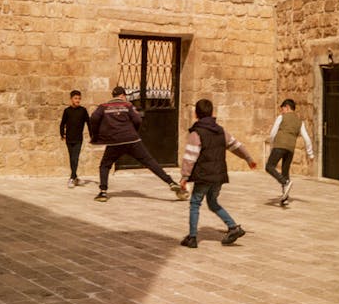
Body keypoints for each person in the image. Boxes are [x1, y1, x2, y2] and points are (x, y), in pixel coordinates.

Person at [179, 98, 256, 248]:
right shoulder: (221, 131)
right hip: (219, 175)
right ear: (212, 113)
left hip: (203, 175)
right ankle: (233, 227)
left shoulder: (197, 133)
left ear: (196, 114)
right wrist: (248, 158)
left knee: (195, 203)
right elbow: (236, 145)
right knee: (213, 202)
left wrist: (184, 177)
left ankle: (192, 237)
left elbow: (190, 156)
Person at [90, 86, 188, 202]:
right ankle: (170, 182)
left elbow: (94, 119)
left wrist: (96, 135)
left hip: (114, 142)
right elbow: (137, 120)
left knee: (105, 165)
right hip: (132, 140)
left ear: (114, 96)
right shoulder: (128, 106)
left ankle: (103, 192)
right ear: (123, 96)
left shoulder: (103, 107)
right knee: (150, 162)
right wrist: (133, 131)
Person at [266, 98, 314, 204]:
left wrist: (271, 145)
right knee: (285, 171)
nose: (281, 112)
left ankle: (285, 182)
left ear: (287, 108)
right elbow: (306, 138)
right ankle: (285, 198)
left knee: (269, 167)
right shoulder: (299, 122)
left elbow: (273, 133)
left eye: (282, 109)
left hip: (279, 146)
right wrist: (310, 153)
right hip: (290, 149)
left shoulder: (281, 117)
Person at [60, 90, 92, 188]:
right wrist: (62, 134)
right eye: (75, 98)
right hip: (69, 139)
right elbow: (62, 123)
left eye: (79, 98)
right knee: (71, 158)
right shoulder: (67, 111)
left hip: (78, 139)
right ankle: (75, 178)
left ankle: (72, 178)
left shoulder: (83, 111)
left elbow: (89, 123)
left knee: (75, 158)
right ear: (71, 99)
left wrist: (92, 135)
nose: (78, 100)